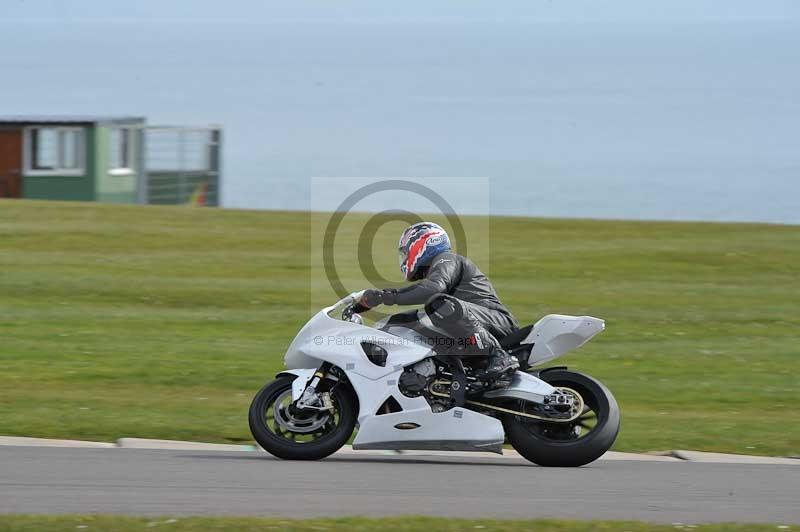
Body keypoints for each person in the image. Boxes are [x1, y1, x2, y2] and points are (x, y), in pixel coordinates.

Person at [355, 221, 520, 381]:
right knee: (408, 319)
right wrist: (376, 300)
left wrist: (389, 297)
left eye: (406, 253)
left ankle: (498, 355)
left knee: (439, 304)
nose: (404, 258)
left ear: (422, 244)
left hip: (498, 321)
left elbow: (433, 289)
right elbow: (425, 289)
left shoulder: (446, 259)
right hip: (475, 325)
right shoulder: (436, 272)